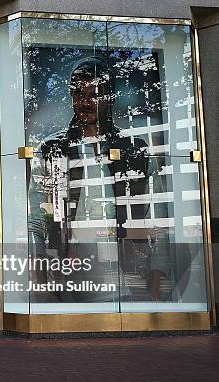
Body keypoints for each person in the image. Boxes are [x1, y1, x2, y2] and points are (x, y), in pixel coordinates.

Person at [28, 56, 169, 302]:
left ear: (110, 98)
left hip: (128, 273)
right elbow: (36, 222)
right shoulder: (52, 148)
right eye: (78, 94)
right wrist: (42, 286)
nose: (85, 102)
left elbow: (155, 217)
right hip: (69, 273)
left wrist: (155, 288)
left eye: (94, 94)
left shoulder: (134, 149)